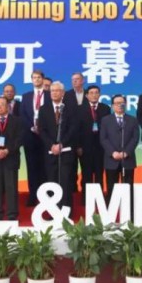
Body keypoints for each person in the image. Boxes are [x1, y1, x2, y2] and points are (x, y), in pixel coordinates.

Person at [38, 81, 80, 209]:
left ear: (62, 93)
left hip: (66, 151)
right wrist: (52, 145)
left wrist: (62, 144)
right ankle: (53, 211)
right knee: (51, 181)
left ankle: (66, 210)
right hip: (50, 152)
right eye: (52, 91)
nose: (54, 93)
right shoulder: (44, 109)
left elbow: (73, 129)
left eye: (57, 90)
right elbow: (42, 130)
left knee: (66, 181)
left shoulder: (70, 108)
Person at [99, 94, 139, 205]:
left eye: (122, 103)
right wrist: (113, 152)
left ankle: (130, 211)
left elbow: (135, 138)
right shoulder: (105, 120)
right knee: (111, 187)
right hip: (111, 159)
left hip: (128, 159)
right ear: (112, 106)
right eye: (117, 103)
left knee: (128, 187)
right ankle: (111, 211)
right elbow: (103, 138)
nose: (119, 105)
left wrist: (126, 152)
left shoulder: (132, 120)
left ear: (125, 104)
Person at [20, 69, 49, 206]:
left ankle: (46, 196)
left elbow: (52, 114)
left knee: (45, 166)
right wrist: (32, 127)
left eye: (39, 77)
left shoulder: (49, 95)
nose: (36, 79)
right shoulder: (26, 96)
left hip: (46, 136)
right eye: (34, 77)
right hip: (30, 136)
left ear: (43, 79)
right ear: (31, 80)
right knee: (31, 167)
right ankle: (32, 195)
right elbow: (23, 115)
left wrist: (41, 128)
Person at [78, 85, 110, 192]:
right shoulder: (80, 109)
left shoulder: (105, 108)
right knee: (86, 174)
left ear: (99, 94)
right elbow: (77, 129)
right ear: (86, 95)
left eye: (96, 92)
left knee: (99, 173)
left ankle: (99, 197)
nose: (94, 95)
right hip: (85, 148)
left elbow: (107, 128)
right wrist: (78, 146)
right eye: (91, 93)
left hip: (101, 147)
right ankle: (85, 197)